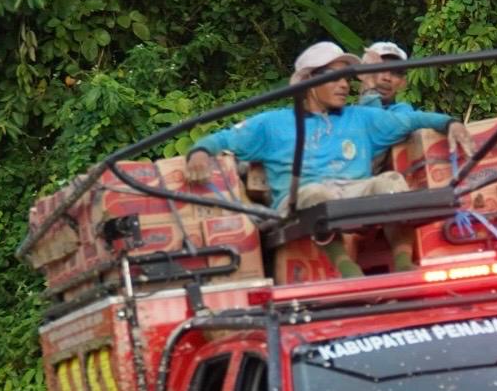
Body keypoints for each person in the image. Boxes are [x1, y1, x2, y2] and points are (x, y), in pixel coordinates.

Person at [185, 41, 471, 274]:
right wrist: (199, 152)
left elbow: (411, 120)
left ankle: (402, 262)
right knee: (316, 192)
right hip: (302, 200)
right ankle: (346, 268)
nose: (345, 85)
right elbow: (224, 139)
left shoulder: (361, 117)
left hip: (355, 192)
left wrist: (450, 123)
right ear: (309, 82)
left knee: (391, 181)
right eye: (335, 78)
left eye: (346, 78)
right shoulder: (272, 123)